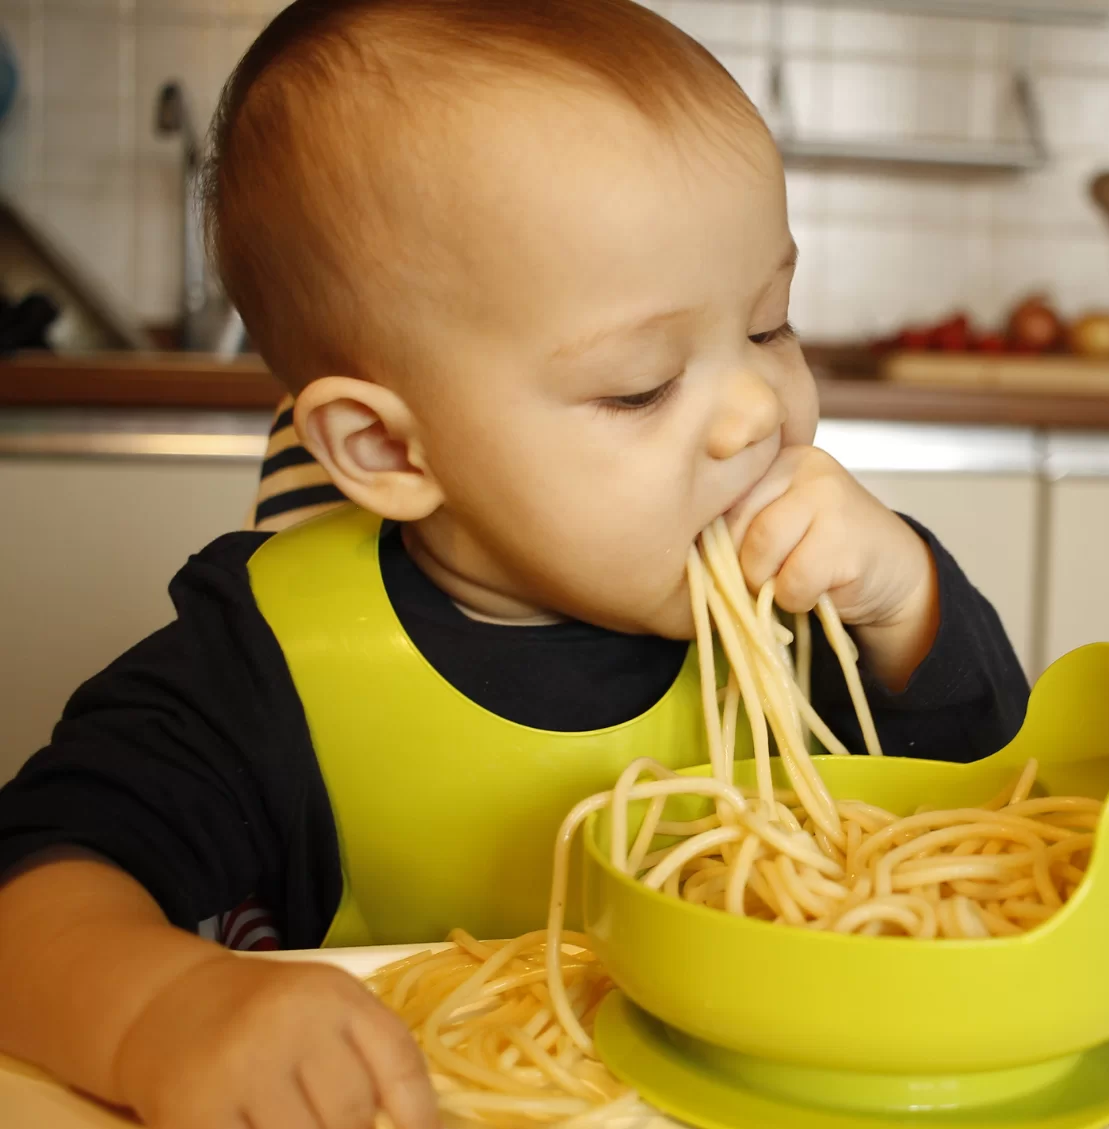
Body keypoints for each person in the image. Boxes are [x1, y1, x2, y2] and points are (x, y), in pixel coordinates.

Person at [0, 2, 1028, 1128]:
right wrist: (162, 1012)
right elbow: (34, 895)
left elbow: (989, 814)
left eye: (771, 325)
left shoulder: (794, 608)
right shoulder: (269, 669)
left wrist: (904, 601)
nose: (758, 411)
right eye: (639, 385)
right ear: (390, 447)